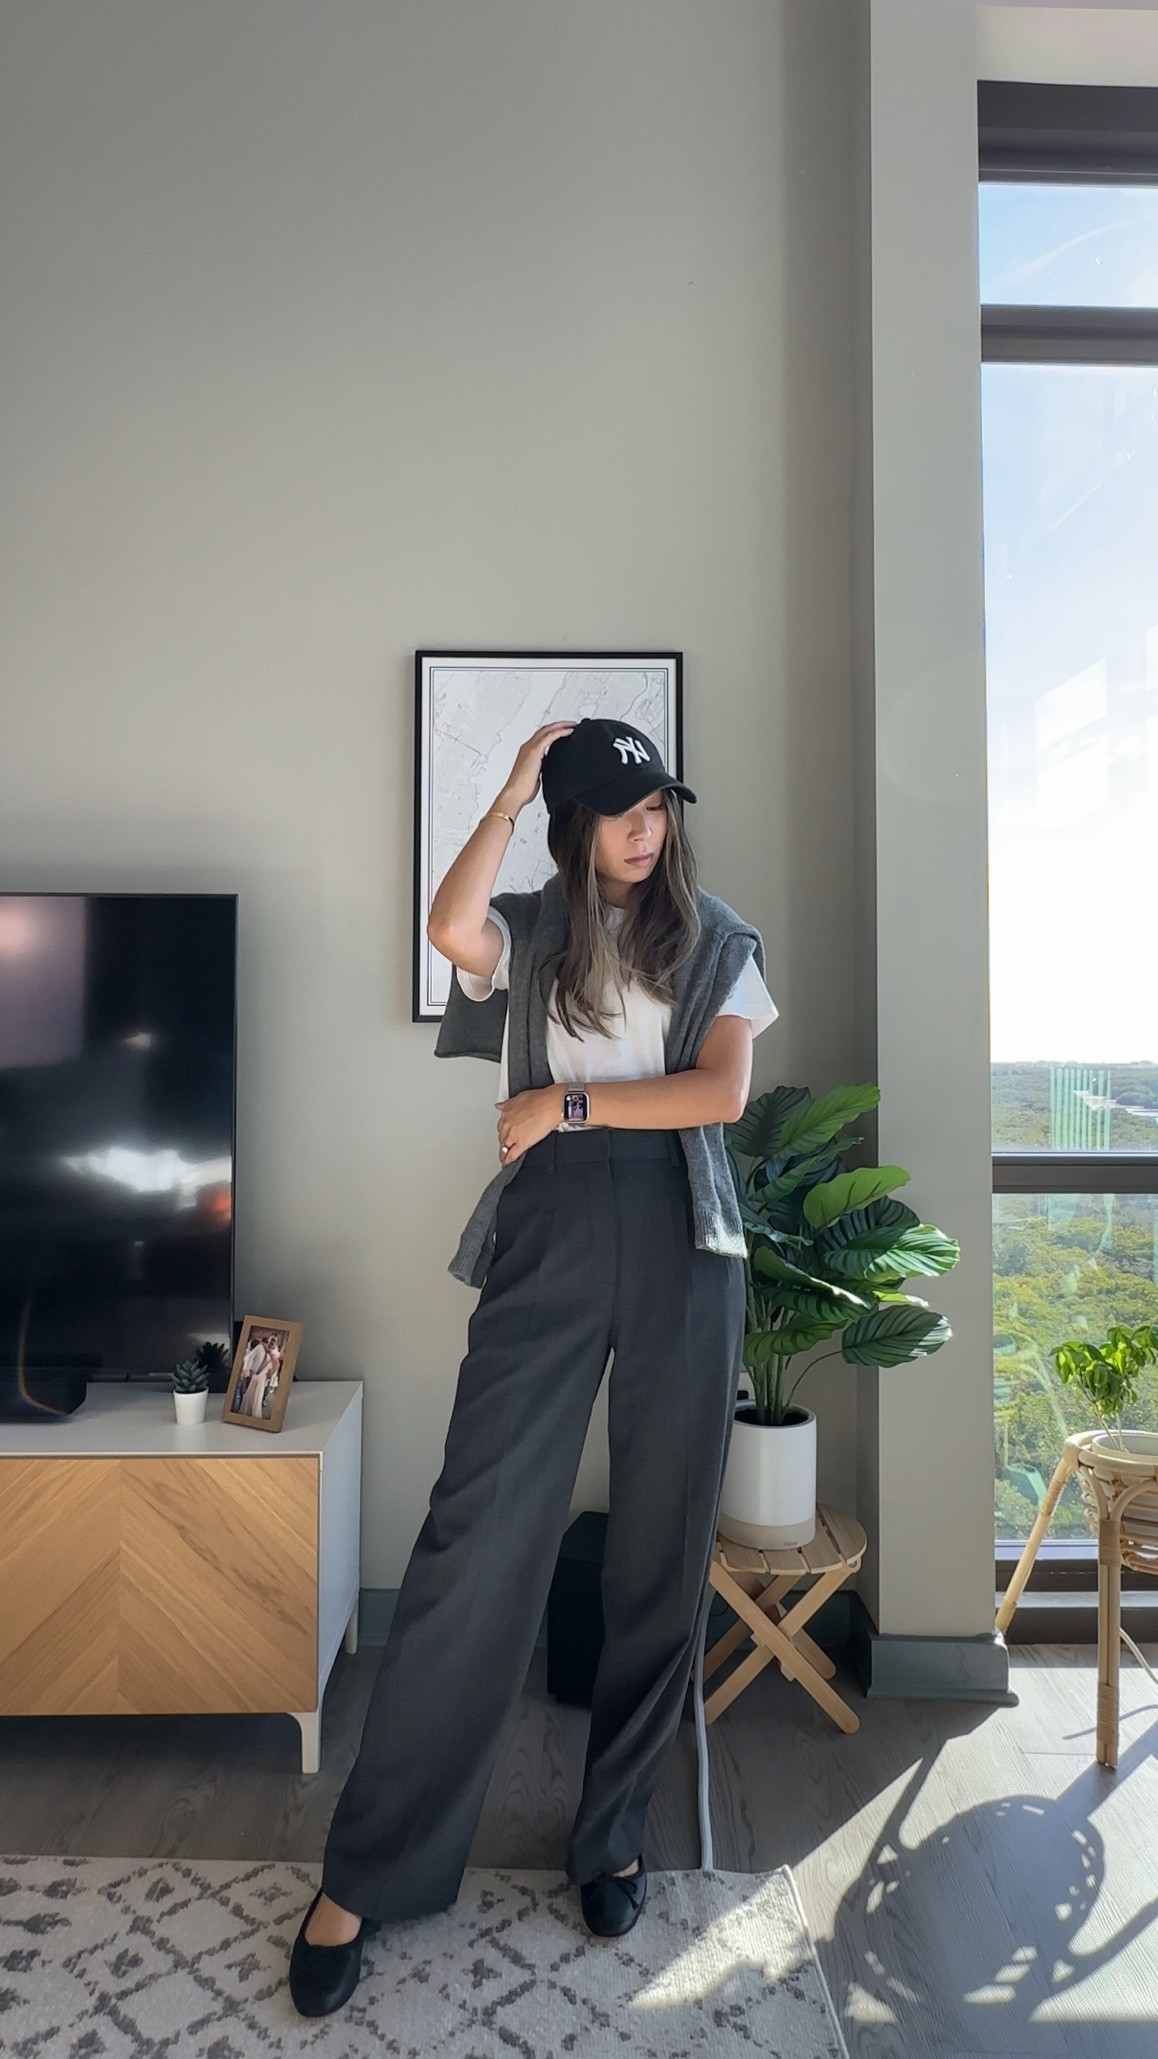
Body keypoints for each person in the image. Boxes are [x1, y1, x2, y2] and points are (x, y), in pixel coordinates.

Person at [287, 715, 777, 2019]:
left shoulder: (716, 933)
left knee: (658, 1541)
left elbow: (718, 1095)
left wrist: (565, 1103)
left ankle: (608, 1831)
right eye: (618, 809)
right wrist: (507, 790)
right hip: (552, 1229)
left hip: (684, 1234)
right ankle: (370, 1870)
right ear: (571, 823)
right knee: (476, 1534)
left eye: (656, 805)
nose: (644, 828)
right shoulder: (534, 923)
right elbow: (451, 930)